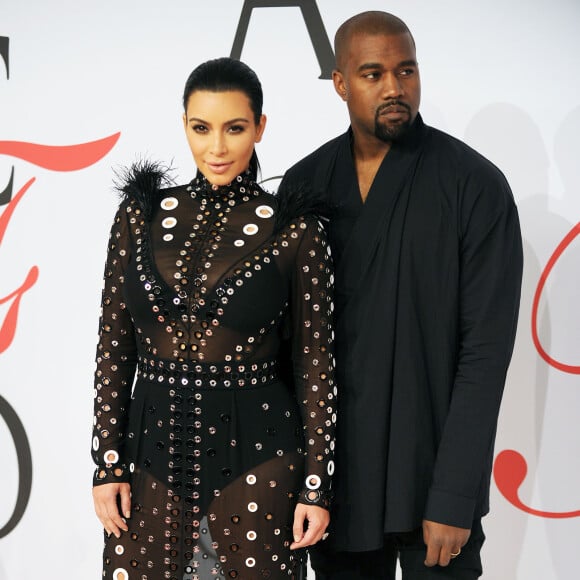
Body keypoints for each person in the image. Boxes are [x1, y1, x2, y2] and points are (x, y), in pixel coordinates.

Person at [278, 11, 523, 580]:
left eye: (406, 70)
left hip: (433, 479)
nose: (394, 87)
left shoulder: (474, 185)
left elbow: (485, 352)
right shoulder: (304, 185)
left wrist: (455, 494)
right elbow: (291, 349)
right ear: (340, 83)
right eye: (372, 73)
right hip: (337, 485)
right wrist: (305, 479)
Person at [91, 57, 336, 580]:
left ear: (260, 127)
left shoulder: (297, 230)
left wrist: (317, 484)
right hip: (148, 460)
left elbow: (315, 363)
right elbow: (114, 348)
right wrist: (107, 462)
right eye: (201, 128)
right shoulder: (140, 217)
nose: (217, 148)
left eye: (235, 128)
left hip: (262, 464)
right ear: (184, 124)